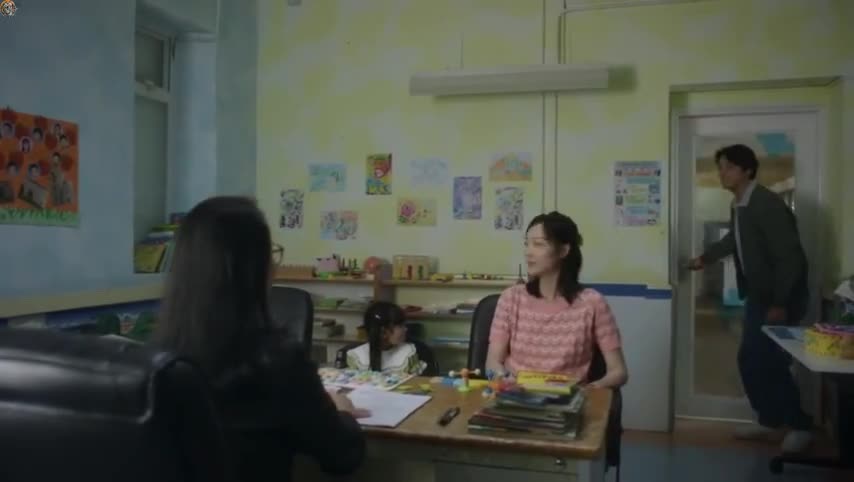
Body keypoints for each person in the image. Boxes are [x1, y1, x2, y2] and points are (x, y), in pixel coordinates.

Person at [153, 196, 367, 482]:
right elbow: (342, 456)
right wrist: (343, 412)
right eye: (271, 254)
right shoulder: (279, 362)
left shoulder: (156, 359)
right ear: (252, 268)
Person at [688, 144, 812, 452]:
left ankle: (799, 425)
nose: (722, 173)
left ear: (747, 170)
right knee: (752, 359)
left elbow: (790, 257)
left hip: (780, 298)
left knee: (771, 361)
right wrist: (706, 258)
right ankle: (770, 420)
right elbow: (735, 239)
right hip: (760, 297)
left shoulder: (766, 203)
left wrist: (780, 302)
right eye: (720, 167)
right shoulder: (740, 204)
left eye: (729, 167)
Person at [486, 211, 628, 389]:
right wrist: (503, 381)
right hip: (516, 395)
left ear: (563, 250)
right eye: (526, 244)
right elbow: (492, 363)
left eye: (538, 244)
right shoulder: (511, 298)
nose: (528, 252)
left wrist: (588, 391)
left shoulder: (592, 302)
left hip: (568, 399)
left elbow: (619, 372)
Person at [346, 301, 425, 374]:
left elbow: (416, 381)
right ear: (383, 332)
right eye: (400, 326)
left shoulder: (408, 353)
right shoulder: (357, 357)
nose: (405, 329)